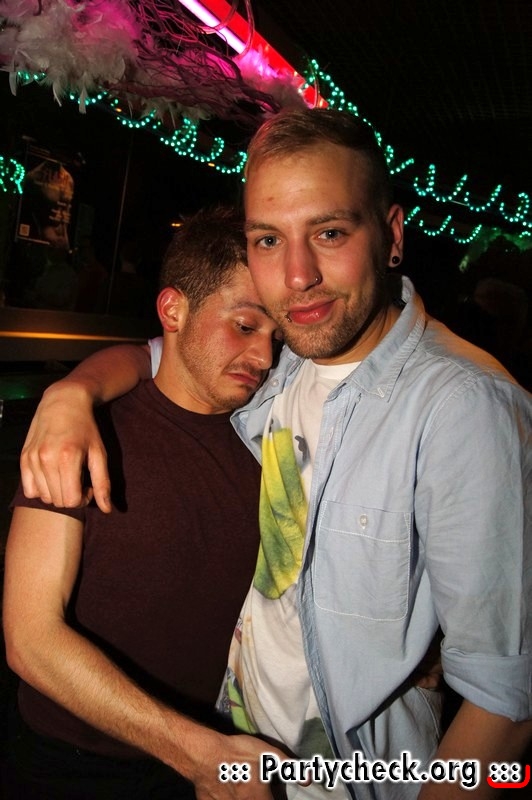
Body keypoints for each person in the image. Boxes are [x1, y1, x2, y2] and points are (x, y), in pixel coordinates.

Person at [17, 109, 532, 799]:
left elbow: (507, 701)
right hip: (223, 762)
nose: (296, 276)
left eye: (329, 232)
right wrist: (72, 392)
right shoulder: (282, 371)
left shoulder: (465, 407)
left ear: (393, 235)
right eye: (268, 239)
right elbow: (168, 356)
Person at [3, 206, 286, 799]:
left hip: (204, 755)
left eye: (275, 336)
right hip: (71, 765)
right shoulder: (82, 433)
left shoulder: (269, 442)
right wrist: (196, 752)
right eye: (244, 325)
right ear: (173, 310)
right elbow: (30, 637)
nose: (265, 357)